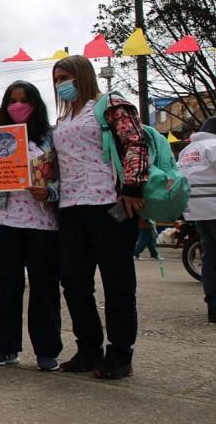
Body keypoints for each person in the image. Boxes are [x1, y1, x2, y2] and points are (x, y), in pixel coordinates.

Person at [51, 55, 149, 379]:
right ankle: (88, 348)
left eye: (65, 76)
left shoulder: (110, 105)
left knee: (117, 282)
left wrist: (133, 187)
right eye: (57, 78)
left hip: (109, 204)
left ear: (82, 76)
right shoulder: (63, 120)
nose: (60, 83)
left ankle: (120, 353)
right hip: (70, 207)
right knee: (74, 281)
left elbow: (135, 142)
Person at [0, 81, 62, 371]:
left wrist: (50, 191)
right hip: (1, 219)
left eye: (25, 100)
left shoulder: (50, 139)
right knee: (5, 287)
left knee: (44, 288)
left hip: (42, 222)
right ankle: (5, 348)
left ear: (36, 104)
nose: (18, 106)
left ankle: (46, 350)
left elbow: (64, 177)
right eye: (12, 101)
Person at [176, 116, 216, 324]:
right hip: (214, 205)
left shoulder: (187, 150)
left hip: (195, 209)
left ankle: (213, 306)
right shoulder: (213, 145)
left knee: (209, 256)